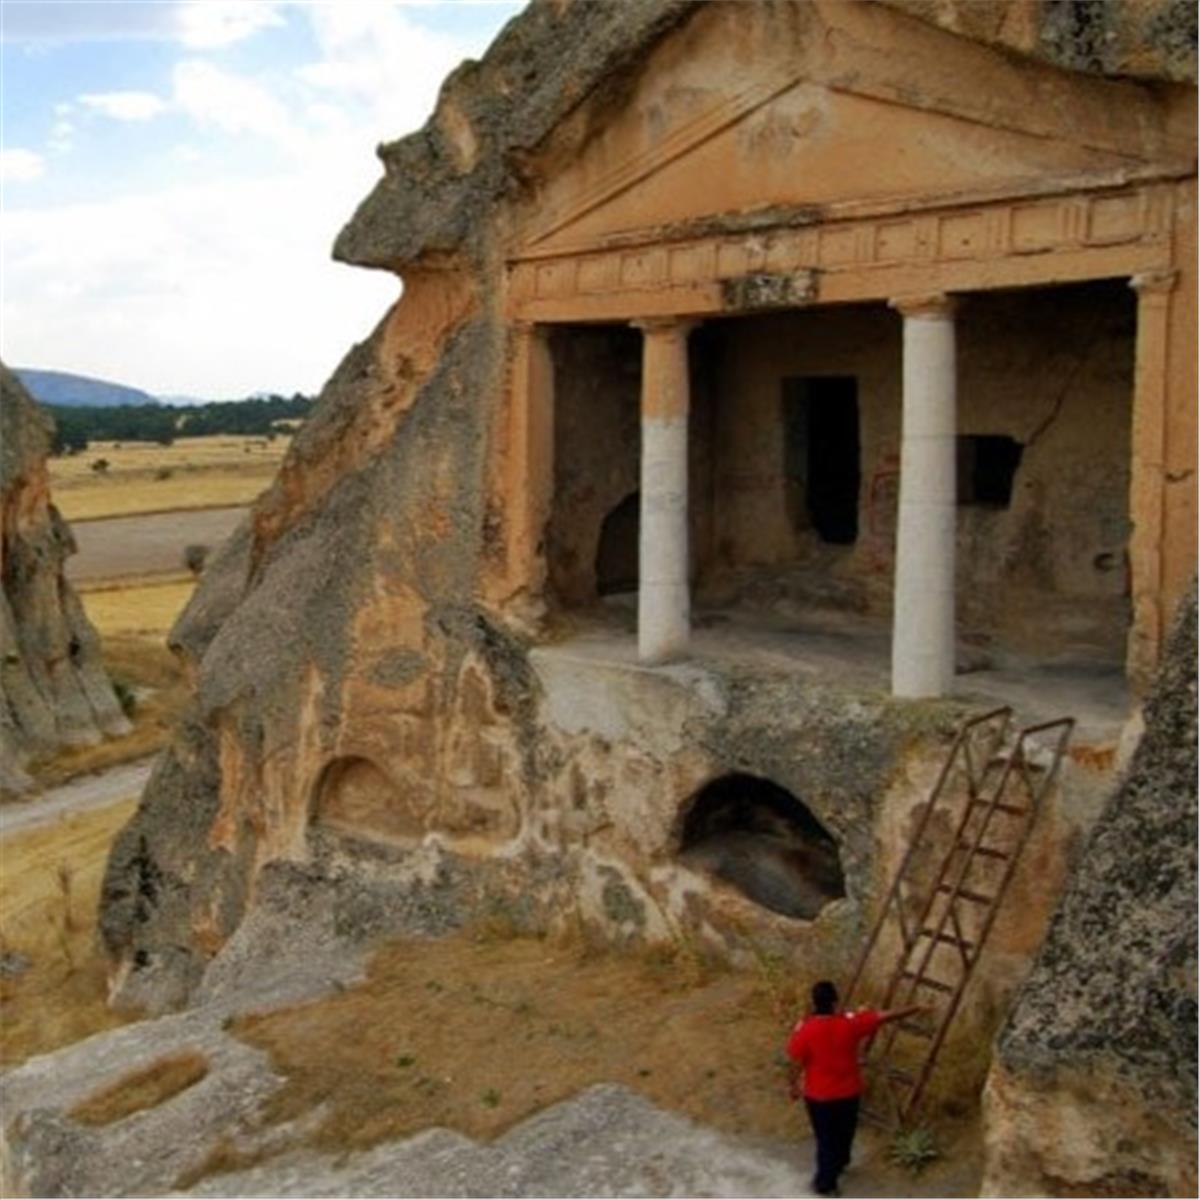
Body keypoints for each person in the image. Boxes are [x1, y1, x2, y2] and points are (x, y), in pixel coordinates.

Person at [786, 980, 926, 1197]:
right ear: (835, 1002)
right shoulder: (850, 1024)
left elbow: (795, 1062)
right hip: (848, 1093)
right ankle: (840, 1163)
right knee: (845, 1133)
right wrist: (915, 1008)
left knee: (825, 1139)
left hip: (818, 1096)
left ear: (814, 1004)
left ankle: (826, 1183)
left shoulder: (805, 1030)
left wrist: (793, 1085)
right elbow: (885, 1016)